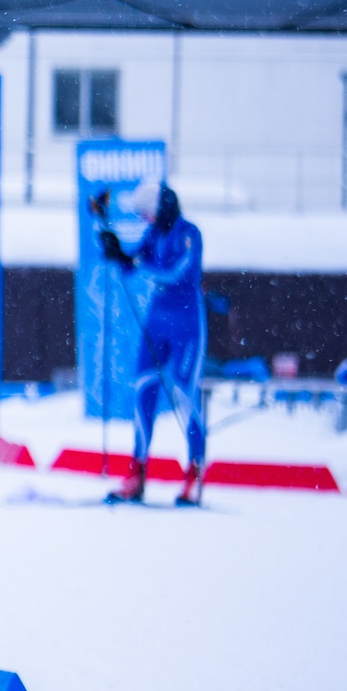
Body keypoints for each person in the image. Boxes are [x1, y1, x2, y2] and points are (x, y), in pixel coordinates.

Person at [97, 179, 207, 505]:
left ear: (162, 207)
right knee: (144, 389)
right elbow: (133, 264)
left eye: (147, 213)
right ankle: (137, 472)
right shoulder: (154, 234)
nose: (145, 219)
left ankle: (194, 472)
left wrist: (136, 263)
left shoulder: (190, 233)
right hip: (156, 321)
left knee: (184, 395)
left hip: (187, 326)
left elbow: (174, 272)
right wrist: (116, 250)